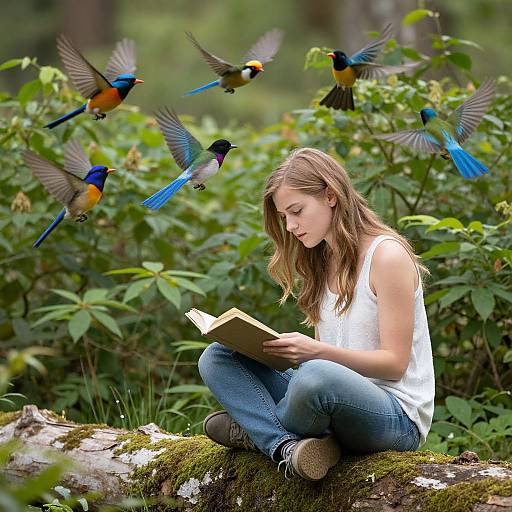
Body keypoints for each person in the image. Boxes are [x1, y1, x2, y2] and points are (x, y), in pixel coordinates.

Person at [198, 147, 435, 481]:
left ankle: (259, 434)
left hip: (395, 417)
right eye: (284, 217)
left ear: (330, 196)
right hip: (331, 400)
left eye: (296, 211)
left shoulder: (387, 256)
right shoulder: (322, 261)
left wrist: (314, 353)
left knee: (314, 377)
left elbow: (394, 365)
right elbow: (324, 367)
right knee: (218, 358)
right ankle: (289, 449)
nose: (291, 226)